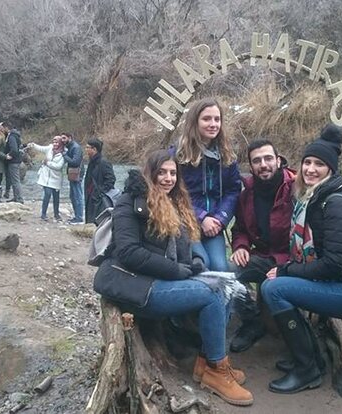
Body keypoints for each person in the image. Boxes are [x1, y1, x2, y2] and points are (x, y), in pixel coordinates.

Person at [92, 149, 253, 406]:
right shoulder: (129, 201)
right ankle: (215, 370)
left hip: (160, 280)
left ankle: (207, 362)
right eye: (162, 173)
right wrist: (175, 270)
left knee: (223, 286)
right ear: (150, 173)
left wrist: (198, 261)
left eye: (172, 173)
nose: (167, 178)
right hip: (135, 285)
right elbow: (129, 252)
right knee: (212, 295)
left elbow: (188, 242)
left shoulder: (175, 201)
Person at [261, 124, 342, 394]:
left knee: (273, 289)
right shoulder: (316, 198)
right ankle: (310, 357)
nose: (310, 169)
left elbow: (332, 264)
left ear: (331, 169)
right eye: (307, 162)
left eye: (319, 164)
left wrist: (286, 270)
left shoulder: (335, 204)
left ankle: (307, 369)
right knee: (276, 283)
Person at [229, 139, 295, 353]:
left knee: (278, 329)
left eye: (268, 158)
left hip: (292, 261)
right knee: (225, 273)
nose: (263, 165)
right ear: (251, 166)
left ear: (278, 160)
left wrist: (285, 265)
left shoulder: (296, 188)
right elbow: (239, 228)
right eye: (257, 161)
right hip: (261, 257)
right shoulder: (246, 193)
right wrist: (241, 246)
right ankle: (251, 320)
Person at [174, 97, 242, 271]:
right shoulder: (177, 156)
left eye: (217, 119)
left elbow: (233, 190)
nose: (213, 124)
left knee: (220, 267)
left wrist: (220, 218)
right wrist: (202, 217)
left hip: (214, 225)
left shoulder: (227, 156)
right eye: (206, 119)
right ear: (194, 122)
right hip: (185, 223)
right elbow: (174, 193)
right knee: (202, 264)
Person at [29, 136, 66, 221]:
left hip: (56, 178)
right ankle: (43, 214)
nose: (55, 144)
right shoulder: (49, 148)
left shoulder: (64, 153)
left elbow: (58, 166)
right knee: (47, 194)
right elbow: (40, 148)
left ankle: (56, 214)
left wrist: (47, 163)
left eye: (57, 142)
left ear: (60, 143)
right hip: (45, 177)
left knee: (56, 197)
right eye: (54, 142)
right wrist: (33, 145)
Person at [83, 137, 115, 224]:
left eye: (87, 147)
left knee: (98, 221)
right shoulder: (92, 162)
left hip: (98, 198)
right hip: (91, 195)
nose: (86, 149)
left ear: (94, 149)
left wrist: (99, 192)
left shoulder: (103, 162)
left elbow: (111, 180)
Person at [61, 132, 85, 224]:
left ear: (69, 138)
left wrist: (64, 155)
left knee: (77, 196)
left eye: (64, 138)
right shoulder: (71, 147)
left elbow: (75, 162)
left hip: (77, 174)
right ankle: (76, 216)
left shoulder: (75, 147)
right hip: (73, 174)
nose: (62, 140)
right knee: (73, 195)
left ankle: (79, 218)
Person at [3, 121, 24, 204]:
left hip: (13, 161)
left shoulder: (11, 136)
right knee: (14, 180)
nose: (3, 129)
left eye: (3, 128)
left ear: (6, 128)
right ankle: (16, 197)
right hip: (17, 160)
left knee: (15, 180)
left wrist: (9, 155)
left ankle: (19, 198)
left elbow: (14, 149)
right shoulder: (16, 135)